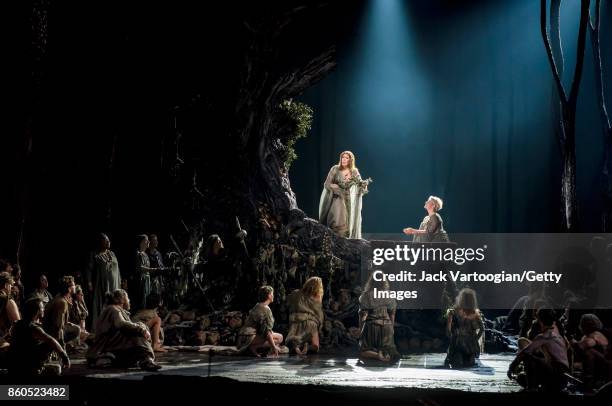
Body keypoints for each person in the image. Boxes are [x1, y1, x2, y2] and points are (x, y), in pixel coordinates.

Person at [86, 289, 161, 371]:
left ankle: (143, 359)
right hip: (107, 348)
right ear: (121, 300)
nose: (129, 300)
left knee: (139, 327)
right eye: (127, 298)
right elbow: (121, 324)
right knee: (136, 332)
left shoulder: (113, 310)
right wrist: (141, 329)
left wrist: (141, 326)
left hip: (112, 346)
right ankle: (147, 359)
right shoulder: (114, 309)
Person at [508, 308, 570, 392]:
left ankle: (531, 388)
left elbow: (525, 352)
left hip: (557, 377)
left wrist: (512, 367)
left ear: (540, 321)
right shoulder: (558, 336)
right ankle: (537, 385)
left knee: (528, 356)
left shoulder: (544, 336)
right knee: (521, 378)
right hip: (563, 380)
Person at [8, 298, 70, 376]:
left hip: (14, 365)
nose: (43, 309)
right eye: (42, 307)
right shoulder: (33, 328)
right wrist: (64, 357)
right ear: (37, 311)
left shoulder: (16, 324)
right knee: (50, 344)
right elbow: (51, 340)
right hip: (28, 366)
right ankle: (39, 368)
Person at [319, 151, 370, 239]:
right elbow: (327, 184)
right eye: (343, 157)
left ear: (351, 160)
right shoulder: (335, 169)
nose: (344, 159)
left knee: (347, 225)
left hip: (349, 202)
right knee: (335, 221)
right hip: (337, 200)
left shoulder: (354, 171)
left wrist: (364, 185)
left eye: (346, 158)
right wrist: (337, 188)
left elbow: (360, 187)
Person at [358, 272, 399, 362]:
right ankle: (385, 354)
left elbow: (363, 315)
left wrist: (361, 330)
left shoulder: (366, 296)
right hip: (386, 326)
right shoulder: (389, 295)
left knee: (363, 351)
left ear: (371, 281)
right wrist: (391, 328)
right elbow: (392, 314)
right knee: (388, 349)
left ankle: (377, 355)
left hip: (372, 325)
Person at [236, 286, 284, 357]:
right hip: (249, 337)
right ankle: (253, 347)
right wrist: (274, 347)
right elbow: (266, 331)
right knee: (280, 338)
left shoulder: (258, 305)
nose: (273, 295)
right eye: (272, 294)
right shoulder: (265, 309)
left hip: (242, 336)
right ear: (269, 295)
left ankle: (253, 348)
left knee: (274, 335)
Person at [86, 233, 121, 328]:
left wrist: (120, 281)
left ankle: (114, 325)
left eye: (108, 240)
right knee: (102, 304)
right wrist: (89, 282)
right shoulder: (94, 254)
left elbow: (117, 270)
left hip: (114, 285)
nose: (108, 242)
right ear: (100, 242)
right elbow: (89, 269)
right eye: (105, 240)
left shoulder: (112, 253)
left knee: (114, 303)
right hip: (101, 285)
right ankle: (101, 327)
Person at [444, 288, 485, 368]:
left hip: (460, 344)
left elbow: (448, 331)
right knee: (466, 362)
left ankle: (455, 357)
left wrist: (453, 337)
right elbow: (482, 329)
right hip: (467, 345)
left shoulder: (453, 312)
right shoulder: (475, 313)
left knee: (461, 362)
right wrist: (474, 339)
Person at [571, 314, 611, 392]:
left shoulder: (594, 335)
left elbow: (585, 345)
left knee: (589, 352)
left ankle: (588, 385)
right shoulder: (596, 334)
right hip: (603, 368)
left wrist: (574, 344)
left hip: (604, 371)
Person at [286, 277, 325, 354]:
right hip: (311, 323)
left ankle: (297, 347)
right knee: (315, 346)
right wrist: (320, 325)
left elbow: (288, 303)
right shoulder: (317, 297)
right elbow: (319, 313)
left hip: (296, 321)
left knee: (295, 340)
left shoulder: (296, 293)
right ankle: (307, 347)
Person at [44, 276, 81, 349]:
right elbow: (58, 326)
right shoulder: (62, 302)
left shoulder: (63, 298)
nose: (75, 286)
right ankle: (55, 347)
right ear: (69, 288)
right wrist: (61, 348)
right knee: (76, 330)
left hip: (53, 328)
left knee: (76, 328)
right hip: (50, 331)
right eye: (73, 285)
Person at [134, 234, 161, 311]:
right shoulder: (138, 254)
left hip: (147, 279)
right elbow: (139, 267)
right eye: (146, 240)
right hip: (141, 279)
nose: (148, 242)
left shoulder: (145, 254)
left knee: (147, 297)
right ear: (141, 242)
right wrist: (150, 269)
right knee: (141, 297)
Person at [0, 272, 21, 348]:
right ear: (6, 285)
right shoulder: (8, 300)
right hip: (5, 342)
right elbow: (18, 325)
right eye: (11, 285)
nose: (12, 288)